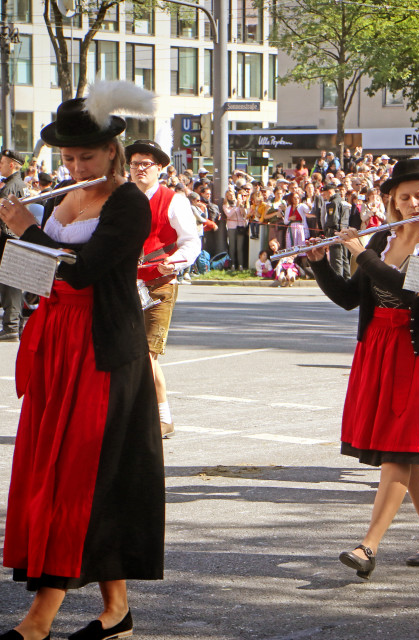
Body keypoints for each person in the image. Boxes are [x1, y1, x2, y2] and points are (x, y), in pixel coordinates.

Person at [0, 84, 164, 640]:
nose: (75, 166)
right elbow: (32, 278)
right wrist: (14, 243)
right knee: (69, 474)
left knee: (82, 478)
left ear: (113, 152)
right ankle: (116, 612)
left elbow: (84, 269)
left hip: (103, 348)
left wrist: (27, 231)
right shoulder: (57, 200)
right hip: (55, 344)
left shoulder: (129, 203)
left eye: (86, 157)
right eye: (68, 158)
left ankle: (40, 618)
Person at [307, 156, 419, 580]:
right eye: (405, 196)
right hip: (378, 347)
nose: (413, 203)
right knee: (408, 451)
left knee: (400, 448)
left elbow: (413, 294)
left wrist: (361, 256)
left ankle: (368, 545)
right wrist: (320, 262)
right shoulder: (381, 239)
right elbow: (350, 297)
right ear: (392, 200)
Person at [126, 139, 200, 439]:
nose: (140, 169)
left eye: (146, 164)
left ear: (159, 168)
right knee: (124, 354)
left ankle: (163, 418)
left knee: (146, 355)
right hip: (125, 285)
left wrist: (175, 262)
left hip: (158, 284)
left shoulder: (174, 200)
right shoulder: (123, 197)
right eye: (134, 164)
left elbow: (192, 242)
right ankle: (129, 415)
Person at [0, 149, 27, 340]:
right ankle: (15, 325)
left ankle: (11, 327)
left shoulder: (10, 187)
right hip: (16, 238)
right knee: (14, 283)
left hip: (8, 238)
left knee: (10, 283)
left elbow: (4, 216)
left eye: (2, 162)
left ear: (11, 165)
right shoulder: (19, 184)